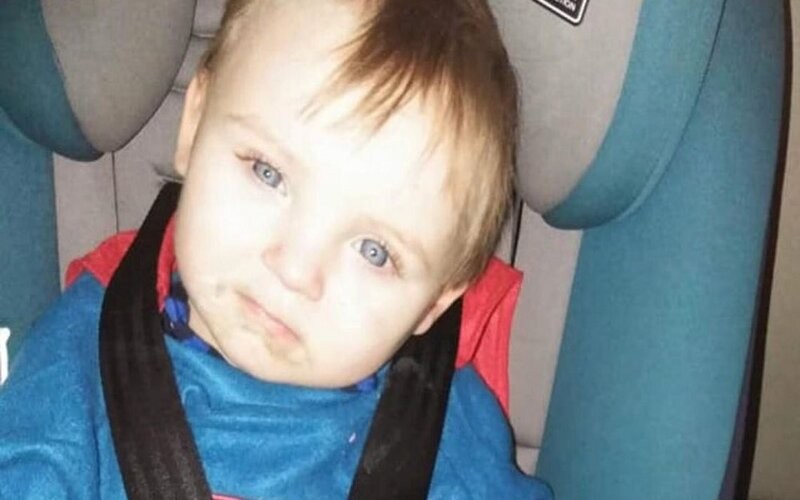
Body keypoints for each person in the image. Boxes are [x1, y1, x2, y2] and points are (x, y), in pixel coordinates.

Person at [0, 0, 553, 498]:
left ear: (434, 303)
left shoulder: (438, 428)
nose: (294, 270)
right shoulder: (89, 348)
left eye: (374, 251)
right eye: (268, 173)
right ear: (193, 126)